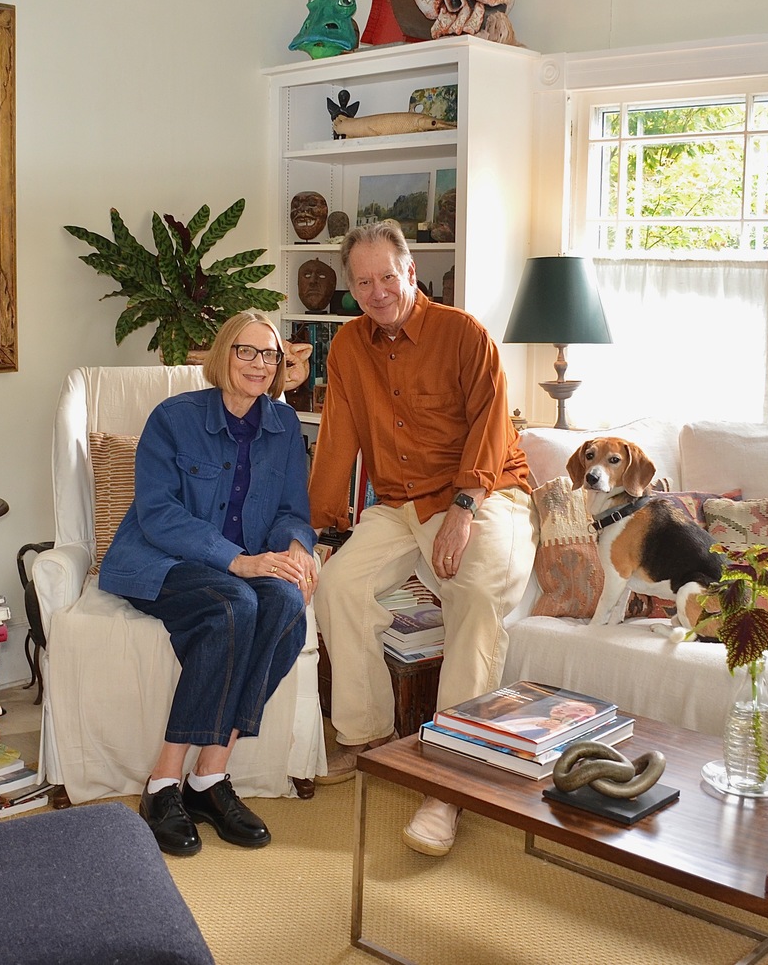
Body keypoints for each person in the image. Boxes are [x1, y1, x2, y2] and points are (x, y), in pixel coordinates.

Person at [309, 220, 538, 857]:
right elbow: (338, 438)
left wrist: (465, 507)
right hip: (400, 502)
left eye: (388, 276)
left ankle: (451, 783)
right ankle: (371, 742)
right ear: (351, 290)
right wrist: (322, 529)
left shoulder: (465, 335)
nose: (378, 290)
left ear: (411, 272)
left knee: (472, 592)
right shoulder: (350, 346)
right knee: (340, 585)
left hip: (485, 491)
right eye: (363, 282)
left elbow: (492, 429)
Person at [99, 311, 319, 856]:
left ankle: (208, 778)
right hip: (162, 561)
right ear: (223, 356)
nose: (258, 364)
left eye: (269, 355)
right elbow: (158, 514)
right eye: (246, 351)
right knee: (233, 605)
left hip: (248, 563)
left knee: (287, 605)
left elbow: (293, 508)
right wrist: (238, 562)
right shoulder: (173, 418)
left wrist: (295, 547)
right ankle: (162, 783)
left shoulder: (284, 425)